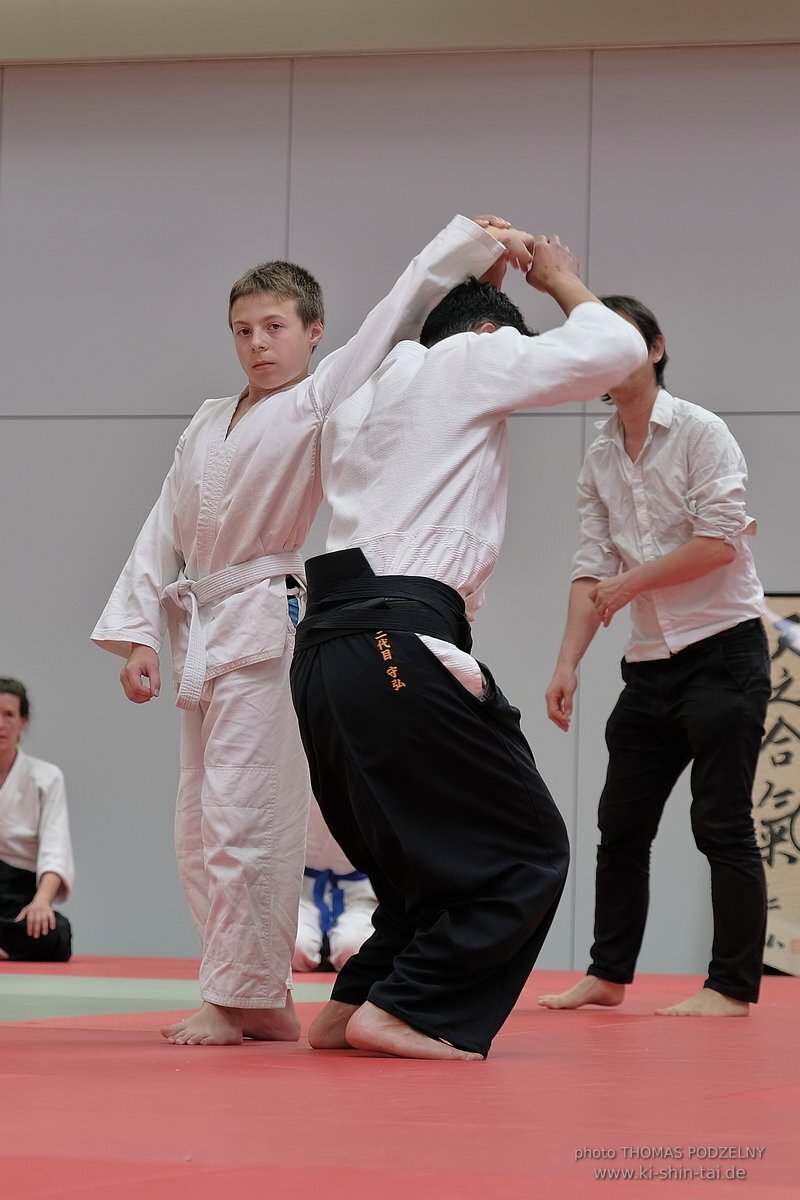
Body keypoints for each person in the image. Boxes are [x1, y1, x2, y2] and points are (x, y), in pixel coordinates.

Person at [91, 213, 532, 1046]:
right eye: (243, 330)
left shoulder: (323, 397)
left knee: (247, 815)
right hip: (204, 626)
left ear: (312, 332)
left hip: (267, 619)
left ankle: (241, 994)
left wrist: (471, 253)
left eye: (275, 327)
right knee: (199, 821)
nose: (258, 344)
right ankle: (252, 994)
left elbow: (395, 318)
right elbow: (164, 525)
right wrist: (140, 631)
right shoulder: (207, 418)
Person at [289, 240, 648, 1061]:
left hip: (324, 655)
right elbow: (617, 349)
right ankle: (410, 1011)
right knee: (529, 849)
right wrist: (555, 277)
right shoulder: (469, 362)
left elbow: (405, 330)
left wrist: (457, 282)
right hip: (398, 640)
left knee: (422, 864)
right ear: (491, 337)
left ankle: (353, 1007)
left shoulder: (365, 386)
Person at [540, 295, 769, 1018]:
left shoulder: (702, 431)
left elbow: (719, 541)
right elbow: (589, 567)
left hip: (723, 651)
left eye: (624, 343)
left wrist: (625, 583)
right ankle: (608, 976)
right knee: (621, 824)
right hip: (647, 664)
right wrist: (567, 662)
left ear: (657, 348)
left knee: (721, 822)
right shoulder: (601, 454)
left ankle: (730, 987)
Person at [0, 678, 74, 963]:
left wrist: (41, 901)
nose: (1, 724)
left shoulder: (46, 777)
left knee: (57, 933)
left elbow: (55, 847)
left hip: (20, 895)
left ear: (23, 721)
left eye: (9, 715)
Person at [293, 798, 377, 973]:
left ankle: (333, 948)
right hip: (303, 890)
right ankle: (321, 948)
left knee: (354, 950)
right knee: (294, 949)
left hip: (359, 892)